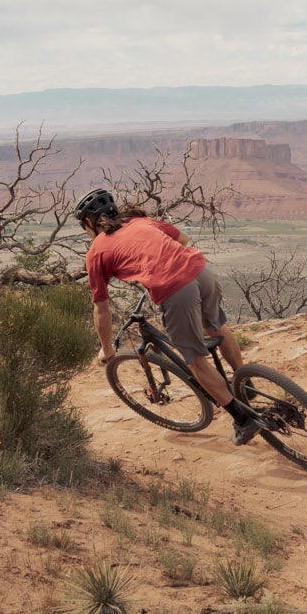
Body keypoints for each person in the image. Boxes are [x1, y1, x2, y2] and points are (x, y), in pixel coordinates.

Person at [76, 189, 263, 445]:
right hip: (202, 272)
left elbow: (101, 307)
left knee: (195, 362)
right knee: (216, 327)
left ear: (89, 222)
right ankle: (246, 382)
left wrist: (107, 348)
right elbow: (183, 239)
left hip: (176, 290)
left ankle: (243, 420)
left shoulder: (97, 251)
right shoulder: (140, 221)